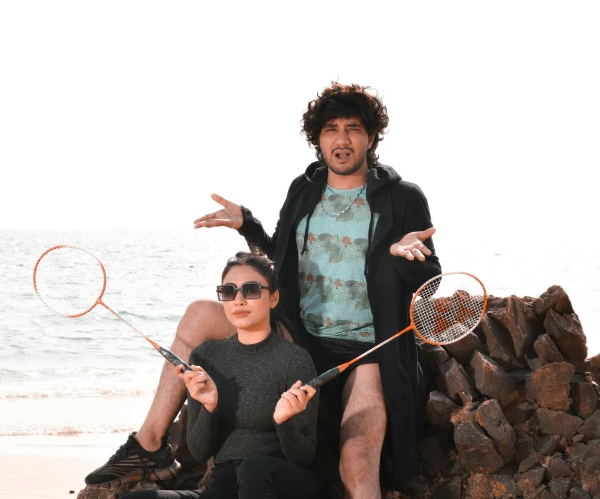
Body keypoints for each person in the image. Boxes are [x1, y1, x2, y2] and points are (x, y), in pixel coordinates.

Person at [84, 81, 440, 498]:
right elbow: (282, 262)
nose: (341, 139)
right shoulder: (304, 191)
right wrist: (247, 225)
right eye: (331, 129)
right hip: (300, 335)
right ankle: (149, 447)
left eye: (353, 128)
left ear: (371, 136)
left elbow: (429, 287)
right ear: (318, 139)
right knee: (200, 313)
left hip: (367, 351)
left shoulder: (402, 198)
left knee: (357, 459)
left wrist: (402, 258)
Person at [119, 252, 325, 499]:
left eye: (250, 290)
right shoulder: (206, 357)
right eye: (229, 291)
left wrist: (284, 423)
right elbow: (199, 452)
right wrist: (209, 407)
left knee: (254, 468)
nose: (238, 300)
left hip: (282, 483)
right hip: (226, 488)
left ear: (273, 298)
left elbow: (303, 456)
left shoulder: (294, 360)